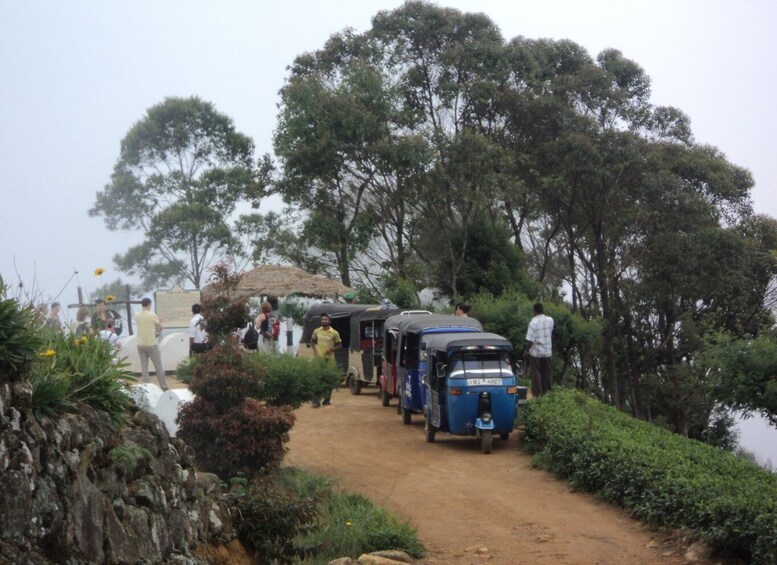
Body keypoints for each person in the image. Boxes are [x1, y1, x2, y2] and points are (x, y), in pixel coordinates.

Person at [135, 297, 168, 390]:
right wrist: (160, 322)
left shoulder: (137, 315)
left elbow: (145, 325)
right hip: (151, 344)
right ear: (149, 304)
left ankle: (146, 387)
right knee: (158, 366)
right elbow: (160, 327)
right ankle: (164, 386)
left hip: (140, 344)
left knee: (144, 368)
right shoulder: (152, 315)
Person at [310, 312, 341, 407]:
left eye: (326, 319)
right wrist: (315, 350)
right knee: (317, 380)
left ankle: (327, 400)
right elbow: (312, 341)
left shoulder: (334, 333)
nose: (324, 321)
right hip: (319, 359)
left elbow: (339, 345)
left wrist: (332, 349)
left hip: (330, 360)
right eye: (322, 319)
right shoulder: (316, 331)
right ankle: (316, 401)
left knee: (329, 380)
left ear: (329, 321)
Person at [524, 302, 554, 398]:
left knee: (536, 375)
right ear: (543, 310)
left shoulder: (533, 323)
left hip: (536, 354)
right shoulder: (550, 320)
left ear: (534, 311)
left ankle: (538, 397)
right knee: (547, 375)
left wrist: (526, 351)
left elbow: (530, 341)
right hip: (547, 353)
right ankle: (548, 395)